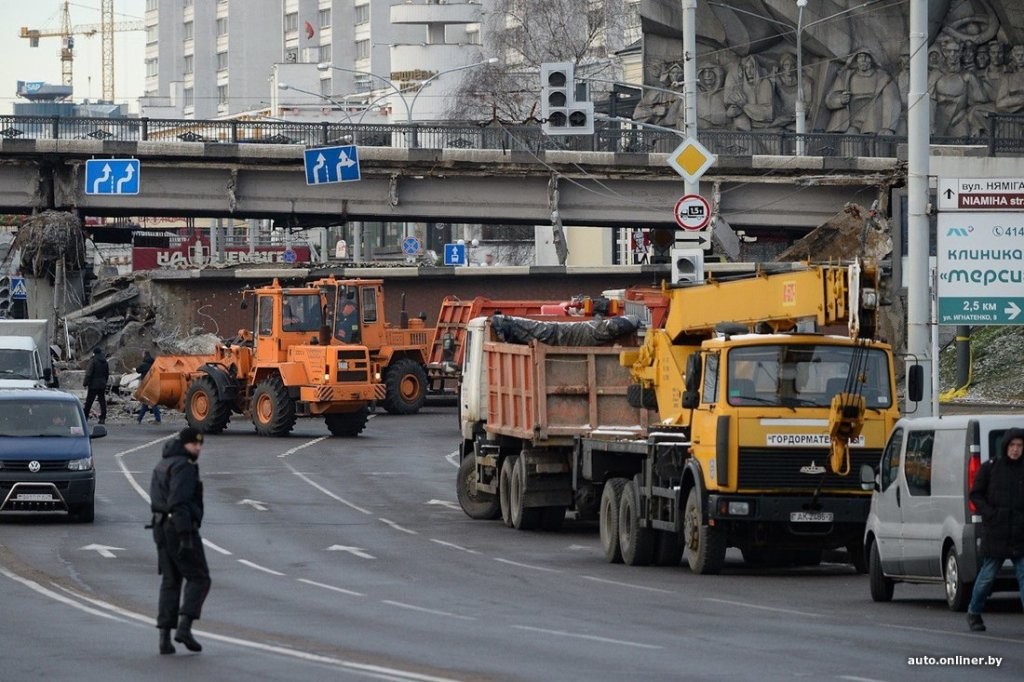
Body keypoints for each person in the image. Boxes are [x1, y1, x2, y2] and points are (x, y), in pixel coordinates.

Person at [149, 427, 210, 654]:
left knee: (171, 581)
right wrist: (185, 536)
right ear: (184, 444)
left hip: (160, 527)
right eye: (195, 444)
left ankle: (164, 638)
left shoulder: (162, 464)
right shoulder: (184, 466)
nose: (198, 448)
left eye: (200, 444)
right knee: (200, 578)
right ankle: (184, 627)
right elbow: (178, 502)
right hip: (179, 529)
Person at [965, 427, 1024, 632]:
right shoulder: (990, 468)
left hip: (1020, 534)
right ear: (1005, 446)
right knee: (987, 577)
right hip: (996, 533)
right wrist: (990, 514)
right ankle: (974, 612)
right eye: (1012, 445)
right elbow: (976, 494)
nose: (1015, 450)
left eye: (1019, 445)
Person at [82, 347, 109, 424]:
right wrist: (104, 382)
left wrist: (85, 383)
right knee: (102, 401)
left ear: (94, 353)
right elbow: (107, 374)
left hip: (93, 385)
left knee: (89, 402)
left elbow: (89, 373)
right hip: (102, 384)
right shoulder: (105, 361)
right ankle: (102, 418)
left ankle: (85, 417)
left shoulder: (93, 361)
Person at [136, 351, 162, 424]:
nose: (142, 355)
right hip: (153, 385)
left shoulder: (144, 365)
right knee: (146, 403)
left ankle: (158, 419)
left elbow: (138, 370)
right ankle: (139, 419)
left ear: (145, 355)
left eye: (142, 354)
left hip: (146, 386)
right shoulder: (154, 365)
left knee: (152, 403)